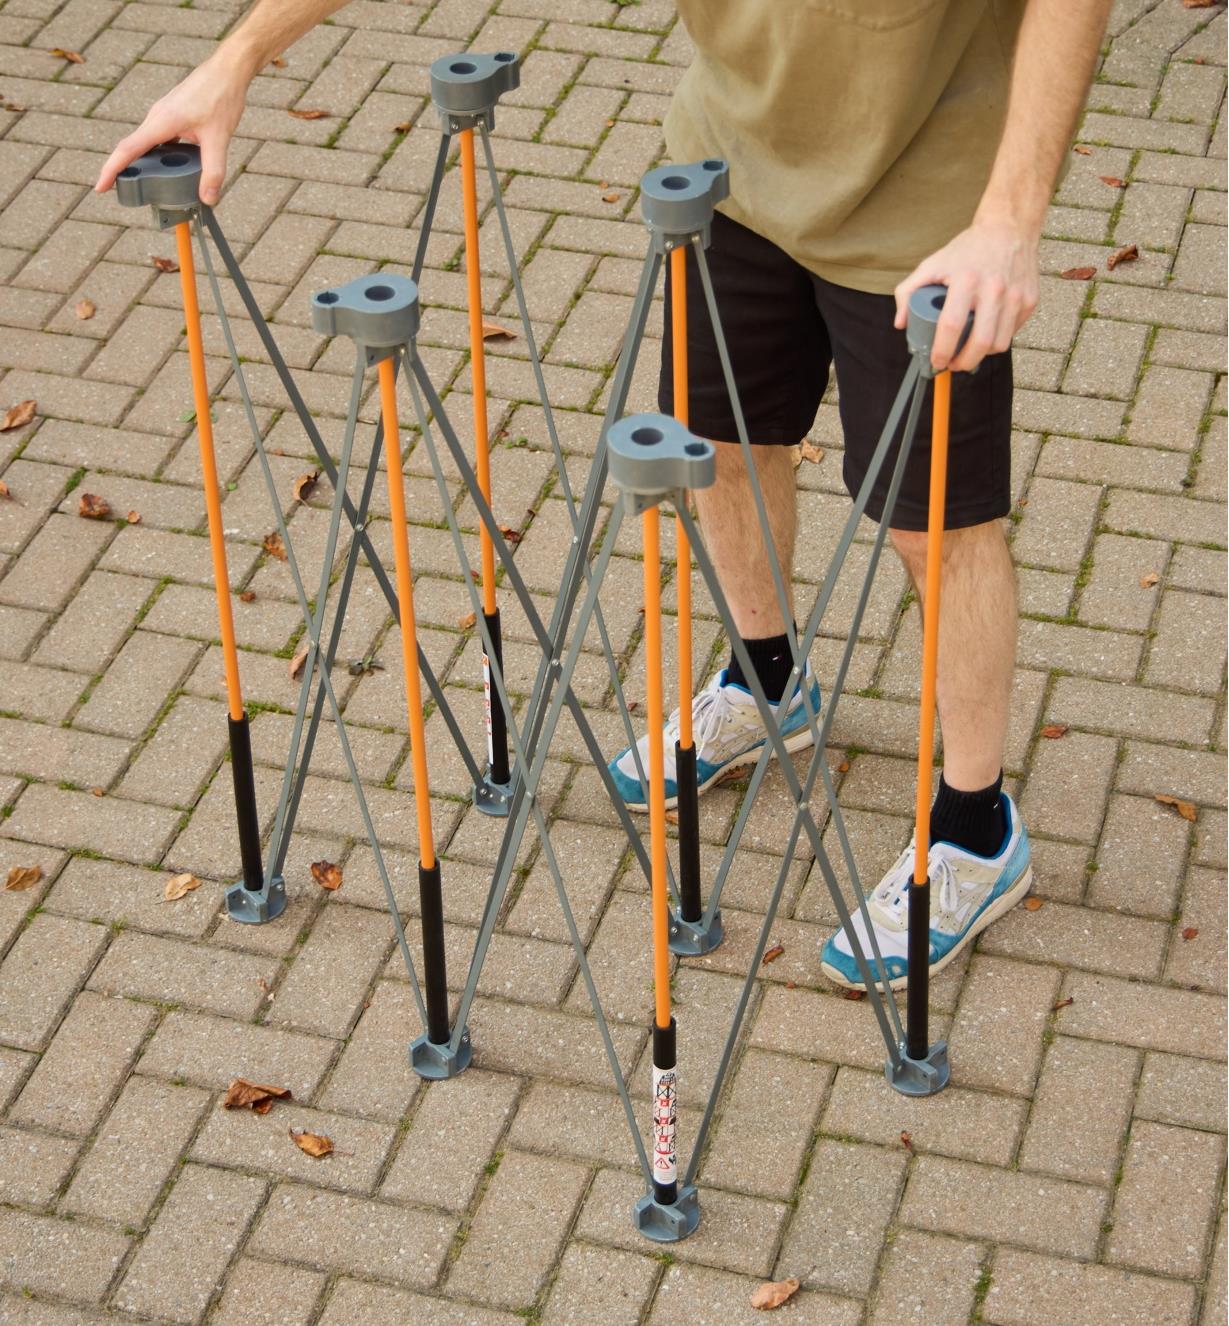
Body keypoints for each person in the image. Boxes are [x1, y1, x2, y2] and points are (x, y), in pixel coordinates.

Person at [97, 0, 1114, 991]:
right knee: (718, 444)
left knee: (930, 528)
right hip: (731, 176)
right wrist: (233, 62)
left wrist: (1010, 221)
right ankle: (766, 686)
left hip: (929, 219)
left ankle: (976, 833)